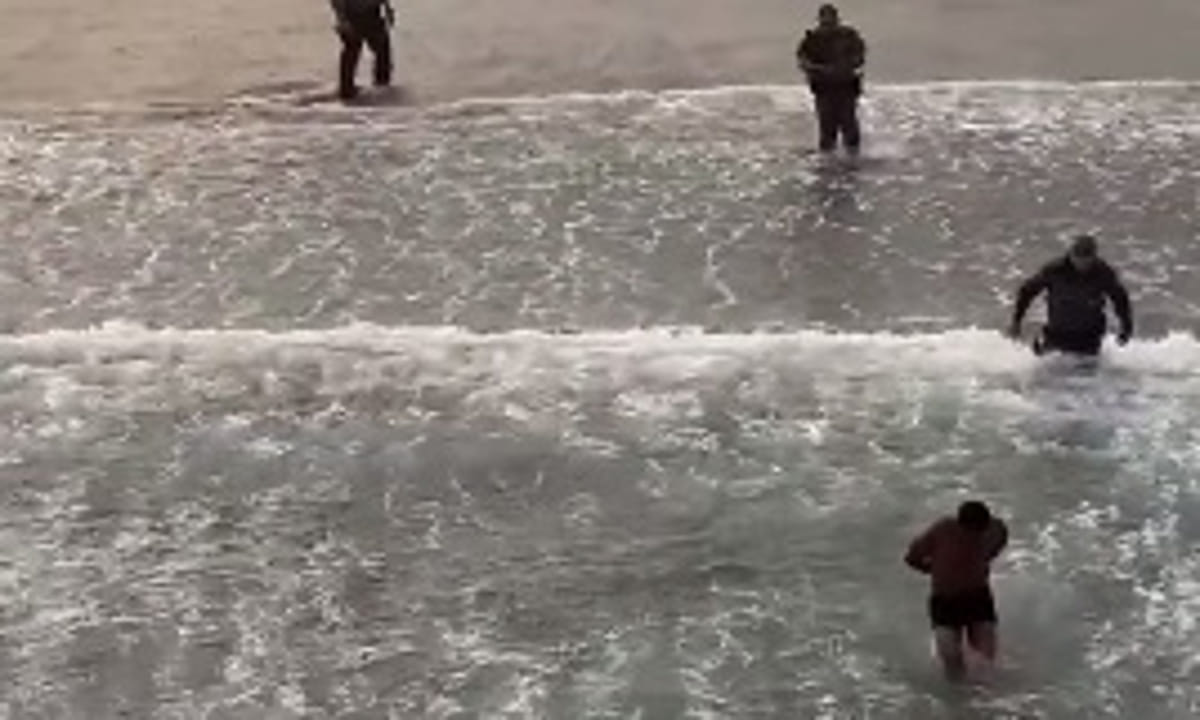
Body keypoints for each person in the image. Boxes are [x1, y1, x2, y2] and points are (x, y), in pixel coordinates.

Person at [905, 501, 1008, 679]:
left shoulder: (994, 529)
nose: (975, 535)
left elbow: (1001, 538)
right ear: (961, 524)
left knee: (986, 657)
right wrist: (934, 570)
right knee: (951, 657)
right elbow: (911, 557)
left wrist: (987, 557)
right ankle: (957, 697)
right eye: (972, 530)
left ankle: (985, 697)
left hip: (977, 596)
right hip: (945, 599)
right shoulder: (942, 529)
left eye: (980, 530)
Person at [1009, 235, 1134, 356]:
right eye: (1077, 257)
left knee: (1085, 373)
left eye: (1087, 258)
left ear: (1094, 257)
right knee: (1049, 368)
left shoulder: (1103, 273)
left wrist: (1126, 327)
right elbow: (1027, 291)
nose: (1082, 263)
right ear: (1071, 254)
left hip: (1089, 334)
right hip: (1058, 330)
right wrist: (1017, 321)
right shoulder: (1055, 270)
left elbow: (1120, 298)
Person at [796, 4, 867, 153]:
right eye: (825, 19)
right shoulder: (812, 39)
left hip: (845, 87)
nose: (828, 23)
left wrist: (846, 66)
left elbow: (860, 56)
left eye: (831, 19)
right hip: (825, 89)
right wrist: (819, 70)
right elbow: (803, 61)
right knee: (827, 131)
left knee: (850, 128)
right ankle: (830, 163)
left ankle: (852, 159)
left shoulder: (849, 36)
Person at [331, 0, 396, 101]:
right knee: (352, 50)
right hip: (352, 14)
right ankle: (346, 90)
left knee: (382, 51)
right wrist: (342, 19)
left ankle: (382, 87)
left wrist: (388, 9)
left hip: (372, 12)